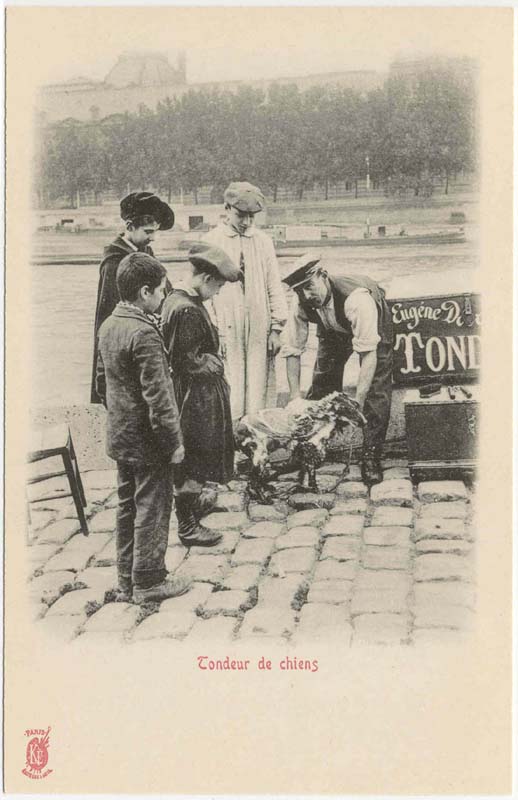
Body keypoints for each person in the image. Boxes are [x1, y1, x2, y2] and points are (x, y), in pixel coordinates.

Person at [95, 252, 190, 604]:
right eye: (162, 291)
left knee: (126, 507)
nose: (164, 297)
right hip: (149, 441)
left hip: (120, 437)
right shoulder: (145, 333)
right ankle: (149, 581)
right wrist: (173, 442)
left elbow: (103, 382)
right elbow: (159, 396)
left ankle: (125, 581)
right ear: (145, 291)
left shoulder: (109, 325)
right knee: (153, 505)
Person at [280, 254, 393, 486]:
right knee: (322, 381)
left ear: (323, 276)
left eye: (310, 287)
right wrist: (294, 398)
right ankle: (307, 449)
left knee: (376, 388)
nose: (306, 296)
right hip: (331, 328)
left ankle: (371, 454)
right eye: (300, 291)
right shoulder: (301, 301)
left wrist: (358, 402)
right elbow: (292, 350)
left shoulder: (357, 299)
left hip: (372, 325)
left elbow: (368, 355)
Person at [161, 243, 241, 547]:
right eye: (218, 285)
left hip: (195, 393)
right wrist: (214, 362)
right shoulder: (187, 310)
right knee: (196, 456)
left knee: (196, 455)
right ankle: (188, 525)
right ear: (206, 278)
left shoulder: (176, 300)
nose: (218, 291)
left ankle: (191, 509)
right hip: (196, 397)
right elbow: (186, 361)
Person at [203, 181, 288, 420]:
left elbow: (274, 285)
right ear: (227, 208)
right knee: (231, 385)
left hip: (259, 325)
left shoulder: (263, 242)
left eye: (252, 217)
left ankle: (258, 442)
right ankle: (231, 446)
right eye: (241, 215)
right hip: (226, 323)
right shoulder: (211, 240)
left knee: (259, 386)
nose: (247, 222)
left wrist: (277, 328)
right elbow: (203, 291)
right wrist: (213, 328)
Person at [90, 191, 175, 403]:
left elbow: (166, 293)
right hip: (127, 348)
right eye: (148, 231)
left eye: (155, 231)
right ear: (129, 226)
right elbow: (108, 318)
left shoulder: (146, 252)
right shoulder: (114, 263)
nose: (153, 237)